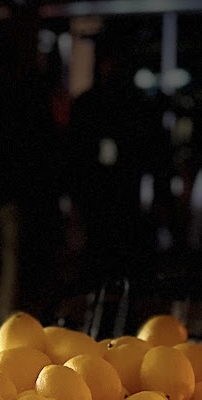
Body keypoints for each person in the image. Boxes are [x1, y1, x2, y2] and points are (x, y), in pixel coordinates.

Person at [0, 41, 61, 321]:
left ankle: (1, 313)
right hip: (14, 191)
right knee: (10, 256)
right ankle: (5, 312)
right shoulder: (26, 99)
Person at [68, 46, 161, 288]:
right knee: (100, 249)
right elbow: (75, 151)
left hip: (123, 191)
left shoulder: (133, 104)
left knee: (120, 249)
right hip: (98, 193)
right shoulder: (90, 103)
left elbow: (150, 150)